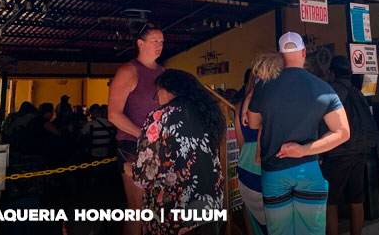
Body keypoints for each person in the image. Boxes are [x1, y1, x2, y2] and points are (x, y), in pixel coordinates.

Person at [247, 32, 350, 235]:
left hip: (274, 172)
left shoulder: (264, 87)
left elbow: (252, 123)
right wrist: (303, 150)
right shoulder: (323, 88)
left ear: (279, 54)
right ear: (304, 52)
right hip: (308, 170)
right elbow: (343, 132)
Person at [131, 70, 225, 235]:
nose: (157, 98)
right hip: (210, 203)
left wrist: (129, 168)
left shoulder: (159, 116)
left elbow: (145, 174)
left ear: (167, 89)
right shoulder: (208, 114)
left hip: (174, 212)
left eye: (157, 93)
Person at [108, 23, 164, 235]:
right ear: (141, 44)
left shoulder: (163, 73)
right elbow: (114, 114)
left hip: (160, 145)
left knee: (158, 206)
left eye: (162, 42)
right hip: (132, 145)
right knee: (138, 208)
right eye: (155, 41)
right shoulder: (129, 71)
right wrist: (144, 135)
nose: (160, 46)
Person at [321, 55, 376, 235]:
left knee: (330, 202)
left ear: (332, 72)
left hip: (338, 152)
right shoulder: (357, 92)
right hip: (360, 151)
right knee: (356, 199)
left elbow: (323, 124)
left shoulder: (330, 92)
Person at [235, 52, 283, 235]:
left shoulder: (240, 107)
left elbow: (241, 143)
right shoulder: (275, 102)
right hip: (267, 168)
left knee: (254, 225)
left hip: (245, 170)